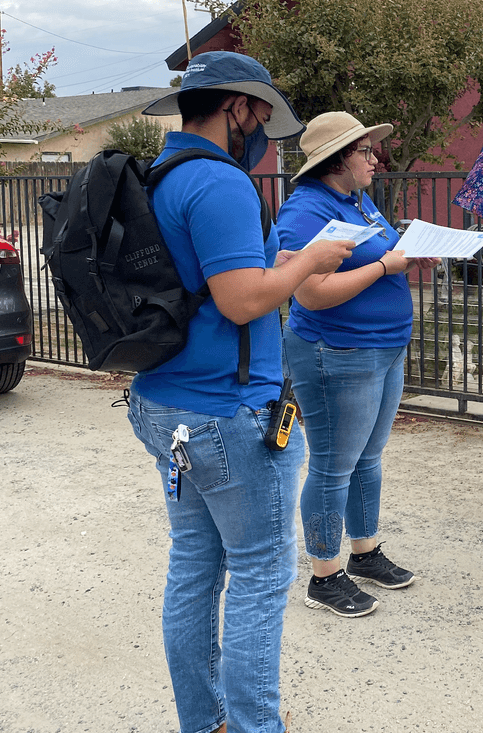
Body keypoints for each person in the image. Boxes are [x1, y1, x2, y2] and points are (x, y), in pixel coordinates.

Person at [127, 51, 355, 733]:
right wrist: (309, 260)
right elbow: (237, 302)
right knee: (259, 577)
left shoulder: (158, 176)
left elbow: (209, 279)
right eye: (259, 112)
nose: (261, 128)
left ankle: (206, 721)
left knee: (195, 567)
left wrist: (275, 265)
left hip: (164, 406)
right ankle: (258, 726)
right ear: (234, 107)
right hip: (228, 414)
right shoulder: (222, 183)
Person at [277, 112, 437, 618]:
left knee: (368, 457)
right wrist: (385, 265)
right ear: (337, 159)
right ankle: (324, 577)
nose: (375, 158)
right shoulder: (305, 211)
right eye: (365, 151)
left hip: (385, 348)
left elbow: (377, 254)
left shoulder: (358, 201)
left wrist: (408, 252)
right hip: (337, 353)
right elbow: (311, 293)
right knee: (332, 464)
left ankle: (364, 554)